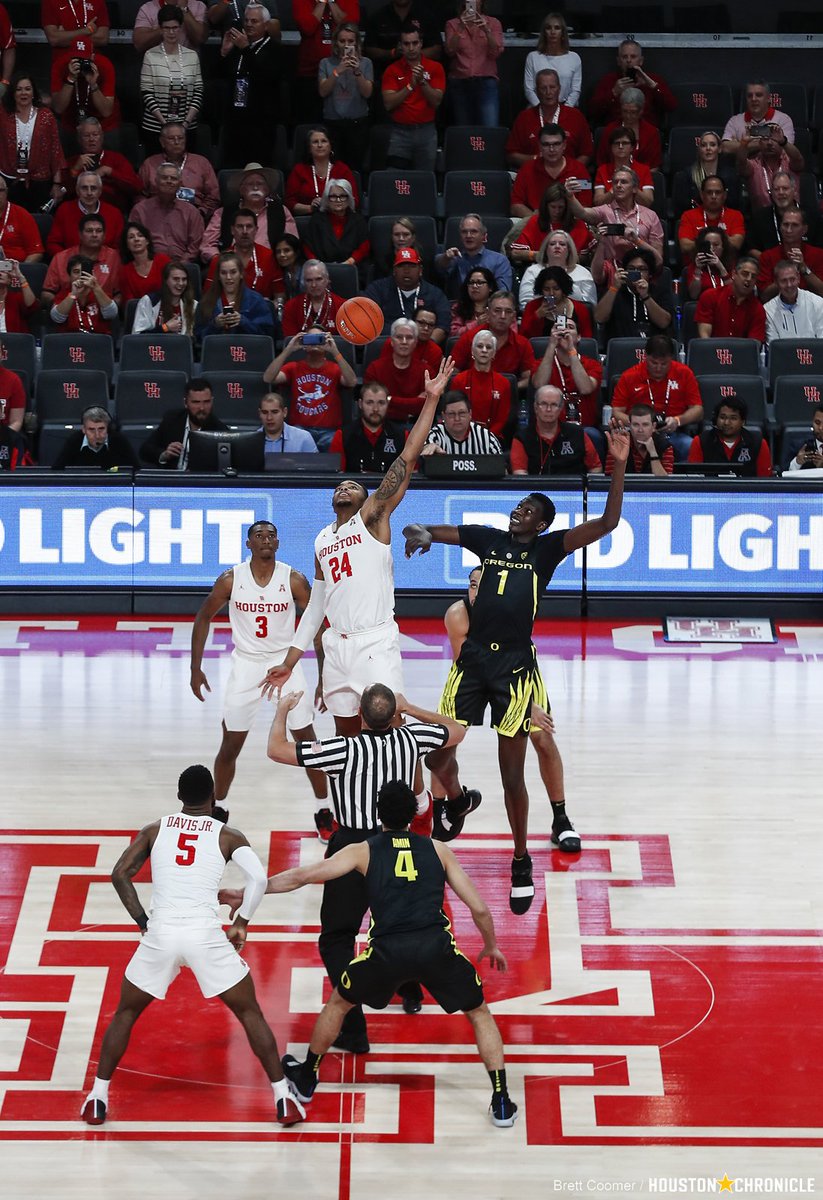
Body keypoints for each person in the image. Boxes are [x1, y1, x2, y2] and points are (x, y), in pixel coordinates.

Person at [402, 432, 630, 910]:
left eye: (528, 509)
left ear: (543, 521)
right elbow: (451, 532)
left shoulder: (548, 550)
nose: (518, 511)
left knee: (512, 777)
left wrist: (618, 466)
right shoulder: (491, 539)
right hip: (473, 662)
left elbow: (609, 521)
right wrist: (424, 531)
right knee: (437, 755)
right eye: (518, 506)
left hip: (514, 668)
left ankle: (522, 858)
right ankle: (456, 799)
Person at [261, 778, 518, 1128]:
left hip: (387, 952)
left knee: (339, 1002)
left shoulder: (362, 851)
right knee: (478, 1012)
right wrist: (490, 944)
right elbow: (481, 909)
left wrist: (253, 891)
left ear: (377, 814)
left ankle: (306, 1078)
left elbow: (305, 876)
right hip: (435, 948)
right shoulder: (439, 851)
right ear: (415, 814)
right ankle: (501, 1101)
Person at [79, 764, 305, 1128]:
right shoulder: (227, 834)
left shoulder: (155, 829)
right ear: (213, 796)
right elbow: (259, 878)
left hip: (162, 934)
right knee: (250, 1014)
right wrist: (241, 922)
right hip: (205, 935)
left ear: (180, 797)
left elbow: (119, 874)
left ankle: (97, 1098)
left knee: (126, 1013)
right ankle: (282, 1099)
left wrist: (143, 921)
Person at [253, 688, 464, 1051]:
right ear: (393, 714)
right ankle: (411, 989)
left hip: (352, 847)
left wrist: (283, 711)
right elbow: (456, 730)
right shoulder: (412, 738)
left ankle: (353, 1026)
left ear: (361, 718)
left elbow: (277, 749)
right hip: (399, 845)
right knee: (399, 923)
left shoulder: (343, 748)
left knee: (337, 936)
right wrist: (411, 706)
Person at [259, 354, 455, 740]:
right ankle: (353, 800)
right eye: (339, 486)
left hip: (374, 641)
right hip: (336, 646)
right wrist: (290, 659)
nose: (342, 486)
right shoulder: (322, 539)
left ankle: (416, 801)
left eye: (353, 486)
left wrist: (431, 400)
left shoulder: (371, 519)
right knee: (347, 736)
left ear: (368, 499)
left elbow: (407, 455)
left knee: (393, 730)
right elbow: (316, 606)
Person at [190, 520, 330, 829]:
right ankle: (219, 808)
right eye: (258, 535)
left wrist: (323, 677)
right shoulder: (230, 580)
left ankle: (324, 809)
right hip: (247, 664)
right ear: (248, 544)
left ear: (278, 543)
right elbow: (202, 617)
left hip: (286, 663)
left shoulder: (293, 580)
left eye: (271, 535)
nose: (265, 539)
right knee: (230, 743)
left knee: (307, 741)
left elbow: (316, 629)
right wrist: (195, 667)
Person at [434, 567, 580, 857]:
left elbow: (513, 665)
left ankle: (561, 818)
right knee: (443, 739)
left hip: (518, 669)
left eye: (481, 587)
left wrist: (526, 704)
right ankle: (443, 810)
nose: (475, 593)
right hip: (471, 671)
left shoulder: (514, 612)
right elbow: (472, 666)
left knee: (543, 738)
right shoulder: (457, 615)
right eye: (471, 586)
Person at [611, 334, 704, 461]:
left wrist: (678, 420)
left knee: (689, 445)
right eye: (653, 363)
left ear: (671, 358)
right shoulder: (629, 376)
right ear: (645, 356)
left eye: (664, 364)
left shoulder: (684, 373)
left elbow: (697, 410)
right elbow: (616, 412)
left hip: (672, 433)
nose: (658, 368)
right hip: (638, 434)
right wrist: (640, 424)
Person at [567, 167, 664, 283]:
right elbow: (581, 212)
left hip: (642, 275)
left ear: (634, 189)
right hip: (612, 275)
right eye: (615, 182)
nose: (618, 185)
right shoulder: (605, 211)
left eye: (623, 182)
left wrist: (636, 240)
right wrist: (569, 196)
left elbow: (658, 261)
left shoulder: (650, 215)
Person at [263, 328, 357, 448]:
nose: (315, 343)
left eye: (319, 339)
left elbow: (352, 382)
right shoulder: (293, 367)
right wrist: (288, 350)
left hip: (329, 432)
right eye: (310, 339)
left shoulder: (335, 369)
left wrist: (335, 352)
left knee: (335, 442)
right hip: (299, 430)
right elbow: (268, 378)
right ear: (304, 344)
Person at [217, 3, 282, 167]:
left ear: (266, 25)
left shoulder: (274, 49)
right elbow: (219, 77)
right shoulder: (237, 47)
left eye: (254, 21)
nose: (249, 24)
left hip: (260, 125)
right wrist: (224, 53)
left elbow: (265, 77)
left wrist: (246, 48)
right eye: (246, 20)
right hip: (235, 122)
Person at [381, 24, 445, 173]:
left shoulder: (435, 68)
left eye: (415, 43)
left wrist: (422, 82)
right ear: (400, 46)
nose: (411, 48)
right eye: (406, 43)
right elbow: (389, 104)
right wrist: (410, 85)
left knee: (425, 181)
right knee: (395, 180)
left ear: (421, 43)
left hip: (427, 132)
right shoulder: (392, 70)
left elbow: (436, 101)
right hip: (400, 133)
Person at [449, 290, 537, 394]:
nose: (503, 316)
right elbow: (452, 373)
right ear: (487, 313)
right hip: (469, 396)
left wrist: (505, 388)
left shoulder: (522, 344)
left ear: (514, 316)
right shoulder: (469, 338)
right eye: (497, 310)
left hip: (506, 396)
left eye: (508, 311)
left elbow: (528, 379)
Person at [139, 5, 203, 149]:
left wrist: (185, 124)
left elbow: (198, 91)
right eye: (167, 28)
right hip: (155, 127)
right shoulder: (150, 55)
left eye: (175, 27)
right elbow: (146, 92)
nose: (171, 32)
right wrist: (166, 125)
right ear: (160, 29)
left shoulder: (192, 56)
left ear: (181, 28)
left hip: (186, 128)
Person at [531, 317, 603, 440]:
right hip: (550, 427)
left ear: (579, 337)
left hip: (584, 428)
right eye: (559, 327)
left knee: (593, 436)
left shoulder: (592, 364)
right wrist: (552, 344)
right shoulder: (541, 363)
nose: (564, 331)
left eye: (570, 328)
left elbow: (585, 388)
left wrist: (571, 350)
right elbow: (539, 384)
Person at [0, 73, 65, 210]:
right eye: (19, 89)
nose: (23, 93)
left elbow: (56, 150)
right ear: (13, 93)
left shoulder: (46, 116)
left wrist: (57, 184)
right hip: (8, 180)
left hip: (39, 181)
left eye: (27, 89)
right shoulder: (3, 115)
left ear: (33, 92)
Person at [506, 67, 592, 170]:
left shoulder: (576, 116)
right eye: (543, 88)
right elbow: (511, 154)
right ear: (537, 91)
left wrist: (569, 170)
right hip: (534, 175)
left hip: (568, 178)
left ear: (559, 89)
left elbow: (587, 153)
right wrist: (536, 160)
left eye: (552, 87)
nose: (548, 92)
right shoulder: (524, 118)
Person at [510, 384, 602, 476]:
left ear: (561, 409)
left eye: (554, 405)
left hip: (573, 488)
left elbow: (595, 468)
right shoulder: (522, 438)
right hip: (536, 489)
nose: (548, 409)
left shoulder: (577, 433)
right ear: (535, 407)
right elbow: (520, 474)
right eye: (544, 404)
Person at [317, 23, 374, 172]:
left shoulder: (366, 63)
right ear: (336, 42)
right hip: (333, 125)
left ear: (357, 43)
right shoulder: (326, 63)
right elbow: (323, 91)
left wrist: (357, 71)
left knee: (356, 170)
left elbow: (367, 92)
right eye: (342, 41)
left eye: (350, 41)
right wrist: (338, 71)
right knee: (334, 170)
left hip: (357, 125)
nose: (346, 45)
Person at [292, 0, 359, 122]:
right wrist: (322, 3)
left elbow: (350, 29)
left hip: (344, 72)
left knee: (340, 121)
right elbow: (307, 28)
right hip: (310, 73)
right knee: (310, 122)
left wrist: (332, 2)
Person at [364, 246, 450, 342]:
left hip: (422, 349)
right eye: (401, 266)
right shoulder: (377, 289)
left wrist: (424, 347)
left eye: (412, 266)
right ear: (394, 270)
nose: (406, 270)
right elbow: (367, 321)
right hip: (385, 345)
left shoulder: (435, 294)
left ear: (420, 270)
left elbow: (443, 327)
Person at [139, 120, 219, 221]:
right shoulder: (149, 163)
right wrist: (149, 212)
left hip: (193, 215)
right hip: (156, 216)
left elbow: (213, 196)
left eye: (180, 138)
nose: (177, 142)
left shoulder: (201, 162)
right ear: (162, 142)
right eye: (171, 138)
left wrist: (200, 213)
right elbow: (140, 194)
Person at [139, 376, 227, 468]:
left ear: (212, 401)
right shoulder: (172, 420)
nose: (202, 408)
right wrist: (164, 455)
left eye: (207, 402)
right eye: (196, 402)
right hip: (171, 479)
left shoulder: (220, 431)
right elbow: (145, 451)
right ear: (185, 403)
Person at [587, 38, 676, 128]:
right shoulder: (608, 80)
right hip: (616, 132)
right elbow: (592, 111)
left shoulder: (653, 79)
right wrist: (614, 92)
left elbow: (671, 106)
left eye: (633, 56)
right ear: (618, 61)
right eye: (625, 57)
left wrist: (652, 86)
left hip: (646, 131)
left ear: (641, 60)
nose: (629, 60)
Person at [511, 124, 592, 221]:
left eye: (556, 144)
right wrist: (537, 220)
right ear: (539, 146)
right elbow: (515, 205)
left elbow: (586, 206)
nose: (552, 149)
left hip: (570, 223)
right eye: (546, 144)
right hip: (535, 222)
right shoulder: (527, 169)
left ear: (564, 145)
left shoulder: (579, 169)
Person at [62, 115, 142, 212]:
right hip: (80, 212)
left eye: (95, 134)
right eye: (86, 136)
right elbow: (63, 192)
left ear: (102, 137)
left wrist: (110, 172)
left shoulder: (116, 158)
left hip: (113, 211)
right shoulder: (72, 161)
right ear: (79, 139)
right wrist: (75, 170)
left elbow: (136, 187)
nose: (91, 139)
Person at [42, 212, 122, 308]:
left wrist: (109, 309)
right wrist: (63, 308)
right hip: (67, 313)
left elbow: (119, 294)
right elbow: (47, 294)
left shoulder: (114, 257)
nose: (94, 234)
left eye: (99, 231)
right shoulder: (60, 258)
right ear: (80, 234)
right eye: (89, 230)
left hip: (103, 314)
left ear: (104, 235)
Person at [443, 0, 503, 127]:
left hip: (486, 81)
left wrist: (487, 31)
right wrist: (460, 29)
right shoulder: (452, 24)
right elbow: (450, 51)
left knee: (490, 127)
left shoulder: (493, 23)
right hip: (460, 82)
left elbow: (496, 53)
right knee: (463, 129)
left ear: (481, 2)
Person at [594, 246, 674, 340]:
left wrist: (645, 296)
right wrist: (614, 287)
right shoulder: (614, 292)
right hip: (622, 348)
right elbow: (599, 318)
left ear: (650, 274)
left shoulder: (659, 291)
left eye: (642, 269)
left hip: (653, 349)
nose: (636, 273)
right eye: (631, 268)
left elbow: (664, 323)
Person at [130, 162, 205, 262]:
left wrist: (180, 266)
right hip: (148, 265)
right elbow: (132, 241)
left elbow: (195, 246)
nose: (169, 181)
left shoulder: (191, 212)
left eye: (173, 178)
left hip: (182, 267)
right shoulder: (140, 210)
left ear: (180, 184)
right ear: (156, 181)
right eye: (164, 178)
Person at [449, 327, 515, 442]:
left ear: (494, 353)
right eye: (480, 346)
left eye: (488, 347)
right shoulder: (459, 380)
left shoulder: (504, 383)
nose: (484, 350)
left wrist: (485, 439)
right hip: (462, 437)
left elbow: (501, 419)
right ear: (472, 351)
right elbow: (455, 414)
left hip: (493, 438)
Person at [509, 181, 594, 267]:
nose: (557, 211)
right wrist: (541, 256)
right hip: (541, 268)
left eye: (561, 207)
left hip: (571, 270)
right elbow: (515, 253)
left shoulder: (579, 225)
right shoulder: (535, 221)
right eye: (553, 207)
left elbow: (588, 256)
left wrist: (565, 258)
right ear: (546, 206)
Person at [329, 379, 407, 472]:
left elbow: (412, 474)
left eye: (381, 403)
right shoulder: (342, 436)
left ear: (388, 404)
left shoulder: (402, 436)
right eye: (369, 402)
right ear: (360, 404)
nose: (375, 409)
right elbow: (336, 475)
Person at [363, 316, 429, 423]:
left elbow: (424, 405)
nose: (404, 342)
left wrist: (389, 399)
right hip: (381, 424)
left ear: (416, 342)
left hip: (414, 425)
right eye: (399, 337)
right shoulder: (375, 368)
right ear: (392, 341)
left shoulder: (426, 371)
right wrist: (413, 403)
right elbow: (371, 404)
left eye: (409, 337)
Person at [196, 251, 275, 340]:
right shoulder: (206, 302)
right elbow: (198, 339)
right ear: (218, 276)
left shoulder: (256, 300)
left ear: (241, 274)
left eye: (233, 272)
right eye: (223, 273)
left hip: (248, 351)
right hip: (218, 351)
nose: (228, 277)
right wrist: (215, 325)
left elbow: (267, 336)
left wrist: (243, 322)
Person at [285, 124, 359, 217]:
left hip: (337, 219)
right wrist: (310, 208)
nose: (320, 145)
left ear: (330, 146)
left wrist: (331, 206)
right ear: (309, 148)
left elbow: (354, 201)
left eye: (324, 141)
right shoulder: (299, 170)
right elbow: (289, 203)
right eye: (315, 142)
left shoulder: (342, 169)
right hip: (308, 220)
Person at [687, 397, 772, 477]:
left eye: (733, 418)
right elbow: (694, 478)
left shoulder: (757, 443)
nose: (726, 422)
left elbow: (765, 479)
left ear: (743, 422)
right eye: (722, 417)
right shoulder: (701, 441)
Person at [46, 170, 123, 256]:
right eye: (84, 188)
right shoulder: (64, 210)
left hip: (105, 265)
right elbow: (53, 243)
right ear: (77, 191)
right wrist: (68, 261)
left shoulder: (114, 213)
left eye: (93, 188)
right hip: (71, 264)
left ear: (100, 191)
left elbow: (119, 247)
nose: (89, 193)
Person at [203, 208, 276, 297]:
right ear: (232, 230)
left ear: (256, 230)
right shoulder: (219, 260)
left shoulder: (269, 256)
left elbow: (279, 296)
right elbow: (208, 296)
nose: (245, 231)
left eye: (249, 226)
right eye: (240, 227)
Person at [755, 207, 823, 301]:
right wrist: (785, 276)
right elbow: (764, 296)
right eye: (785, 225)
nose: (789, 230)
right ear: (780, 227)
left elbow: (821, 291)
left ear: (804, 229)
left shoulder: (818, 255)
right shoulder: (767, 256)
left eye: (794, 225)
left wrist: (804, 269)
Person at [734, 122, 803, 213]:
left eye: (774, 139)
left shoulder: (789, 163)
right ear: (759, 143)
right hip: (762, 219)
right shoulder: (754, 165)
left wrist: (783, 141)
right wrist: (744, 143)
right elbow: (741, 162)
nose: (770, 143)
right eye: (766, 139)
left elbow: (798, 158)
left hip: (791, 216)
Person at [519, 228, 596, 308]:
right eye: (552, 244)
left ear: (569, 250)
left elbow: (590, 306)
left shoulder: (583, 273)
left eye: (562, 244)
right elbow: (525, 304)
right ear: (545, 249)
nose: (557, 247)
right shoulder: (532, 271)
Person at [435, 212, 512, 292]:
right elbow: (438, 265)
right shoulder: (455, 258)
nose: (468, 235)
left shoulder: (499, 260)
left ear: (484, 236)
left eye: (474, 231)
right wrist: (446, 258)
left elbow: (503, 292)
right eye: (464, 232)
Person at [671, 130, 739, 220]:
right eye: (703, 145)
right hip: (695, 221)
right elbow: (680, 209)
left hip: (725, 220)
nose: (708, 148)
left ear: (719, 149)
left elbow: (736, 205)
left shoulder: (731, 175)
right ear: (699, 150)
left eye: (712, 145)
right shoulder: (686, 175)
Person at [302, 179, 370, 269]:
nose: (338, 200)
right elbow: (307, 247)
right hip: (320, 270)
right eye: (333, 196)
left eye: (342, 196)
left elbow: (364, 246)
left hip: (352, 269)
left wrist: (349, 262)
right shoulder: (316, 220)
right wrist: (318, 266)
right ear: (327, 199)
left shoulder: (358, 220)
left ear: (349, 198)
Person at [747, 171, 820, 253]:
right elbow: (752, 248)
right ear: (772, 193)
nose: (781, 193)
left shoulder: (812, 216)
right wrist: (768, 261)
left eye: (785, 188)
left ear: (794, 190)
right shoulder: (759, 218)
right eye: (776, 189)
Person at [51, 48, 120, 134]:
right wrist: (70, 79)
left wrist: (93, 84)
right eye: (77, 60)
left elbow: (106, 112)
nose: (80, 64)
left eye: (84, 60)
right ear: (70, 57)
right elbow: (58, 108)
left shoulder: (104, 64)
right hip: (71, 123)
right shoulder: (61, 64)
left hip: (103, 125)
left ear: (92, 56)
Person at [676, 176, 746, 262]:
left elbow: (736, 243)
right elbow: (685, 245)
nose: (713, 196)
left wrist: (702, 242)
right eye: (709, 192)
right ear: (702, 195)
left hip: (727, 268)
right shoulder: (688, 215)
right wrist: (718, 243)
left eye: (718, 192)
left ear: (725, 195)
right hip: (696, 266)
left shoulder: (735, 215)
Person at [721, 79, 796, 159]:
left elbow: (785, 149)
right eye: (750, 96)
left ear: (768, 98)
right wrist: (767, 142)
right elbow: (725, 148)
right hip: (742, 169)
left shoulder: (784, 119)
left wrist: (741, 145)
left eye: (759, 95)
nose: (753, 99)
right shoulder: (735, 121)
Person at [695, 257, 765, 341]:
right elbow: (704, 336)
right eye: (745, 274)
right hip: (712, 351)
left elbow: (754, 344)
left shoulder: (758, 309)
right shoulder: (710, 296)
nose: (749, 279)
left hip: (741, 353)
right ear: (734, 274)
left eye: (753, 277)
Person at [51, 405, 139, 470]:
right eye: (91, 430)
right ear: (84, 430)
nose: (97, 435)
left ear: (107, 428)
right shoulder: (74, 442)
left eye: (101, 429)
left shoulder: (119, 441)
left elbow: (135, 471)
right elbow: (57, 472)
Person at [49, 253, 118, 333]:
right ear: (69, 275)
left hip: (97, 341)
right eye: (76, 272)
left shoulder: (100, 293)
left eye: (84, 272)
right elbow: (56, 318)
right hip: (71, 342)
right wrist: (73, 294)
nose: (80, 276)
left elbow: (112, 313)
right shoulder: (63, 295)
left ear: (92, 274)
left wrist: (96, 287)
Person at [595, 88, 662, 170]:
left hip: (643, 178)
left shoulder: (651, 132)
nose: (628, 116)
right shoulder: (610, 130)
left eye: (633, 112)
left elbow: (654, 166)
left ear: (641, 111)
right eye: (625, 111)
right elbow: (602, 162)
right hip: (613, 177)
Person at [523, 12, 580, 107]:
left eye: (557, 28)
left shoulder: (574, 58)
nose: (553, 32)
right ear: (544, 32)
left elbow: (575, 91)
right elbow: (529, 90)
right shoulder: (533, 57)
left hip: (566, 108)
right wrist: (542, 109)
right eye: (548, 28)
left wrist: (564, 111)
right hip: (538, 107)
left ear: (563, 33)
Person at [519, 265, 593, 339]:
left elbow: (587, 341)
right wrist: (537, 316)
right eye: (546, 289)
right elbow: (523, 338)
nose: (551, 293)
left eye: (556, 288)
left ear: (564, 288)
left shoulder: (580, 309)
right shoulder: (532, 306)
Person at [422, 391, 503, 457]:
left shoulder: (486, 437)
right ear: (443, 416)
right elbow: (426, 448)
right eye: (451, 414)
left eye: (462, 413)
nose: (457, 418)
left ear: (470, 414)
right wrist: (428, 448)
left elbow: (501, 468)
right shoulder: (435, 435)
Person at [593, 126, 655, 208]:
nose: (621, 146)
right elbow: (598, 202)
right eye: (616, 143)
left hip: (637, 214)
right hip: (609, 215)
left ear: (632, 147)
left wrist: (631, 187)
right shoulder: (602, 170)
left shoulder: (644, 170)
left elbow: (648, 201)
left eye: (625, 143)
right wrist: (615, 190)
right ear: (611, 147)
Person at [133, 258, 198, 335]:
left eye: (184, 279)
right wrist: (165, 328)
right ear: (166, 280)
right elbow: (137, 336)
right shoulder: (149, 301)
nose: (181, 283)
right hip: (153, 346)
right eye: (176, 279)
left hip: (180, 346)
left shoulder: (193, 305)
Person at [606, 403, 673, 476]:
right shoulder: (619, 443)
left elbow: (665, 483)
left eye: (645, 425)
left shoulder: (664, 446)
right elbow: (610, 480)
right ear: (629, 426)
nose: (640, 430)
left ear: (653, 426)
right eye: (636, 425)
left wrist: (653, 453)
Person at [280, 258, 343, 336]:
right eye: (309, 280)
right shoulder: (291, 307)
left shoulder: (342, 307)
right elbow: (290, 341)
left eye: (318, 279)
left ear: (327, 280)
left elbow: (345, 344)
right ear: (303, 282)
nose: (314, 285)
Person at [764, 261, 823, 342]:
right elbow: (774, 347)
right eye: (784, 281)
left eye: (792, 279)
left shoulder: (818, 303)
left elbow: (821, 341)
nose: (789, 285)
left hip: (814, 354)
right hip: (784, 354)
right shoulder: (768, 310)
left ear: (798, 278)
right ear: (776, 282)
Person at [133, 0, 208, 55]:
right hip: (157, 65)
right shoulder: (147, 8)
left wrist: (184, 9)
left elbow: (200, 39)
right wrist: (165, 28)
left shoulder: (199, 6)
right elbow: (139, 44)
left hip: (188, 67)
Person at [257, 390, 318, 455]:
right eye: (265, 412)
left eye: (275, 412)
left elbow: (315, 464)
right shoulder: (251, 441)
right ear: (259, 413)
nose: (269, 418)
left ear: (285, 412)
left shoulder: (304, 438)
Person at [682, 228, 735, 301]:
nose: (711, 248)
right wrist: (698, 270)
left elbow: (734, 294)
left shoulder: (731, 266)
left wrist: (721, 268)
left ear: (723, 247)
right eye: (708, 245)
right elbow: (693, 295)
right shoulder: (694, 267)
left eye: (716, 245)